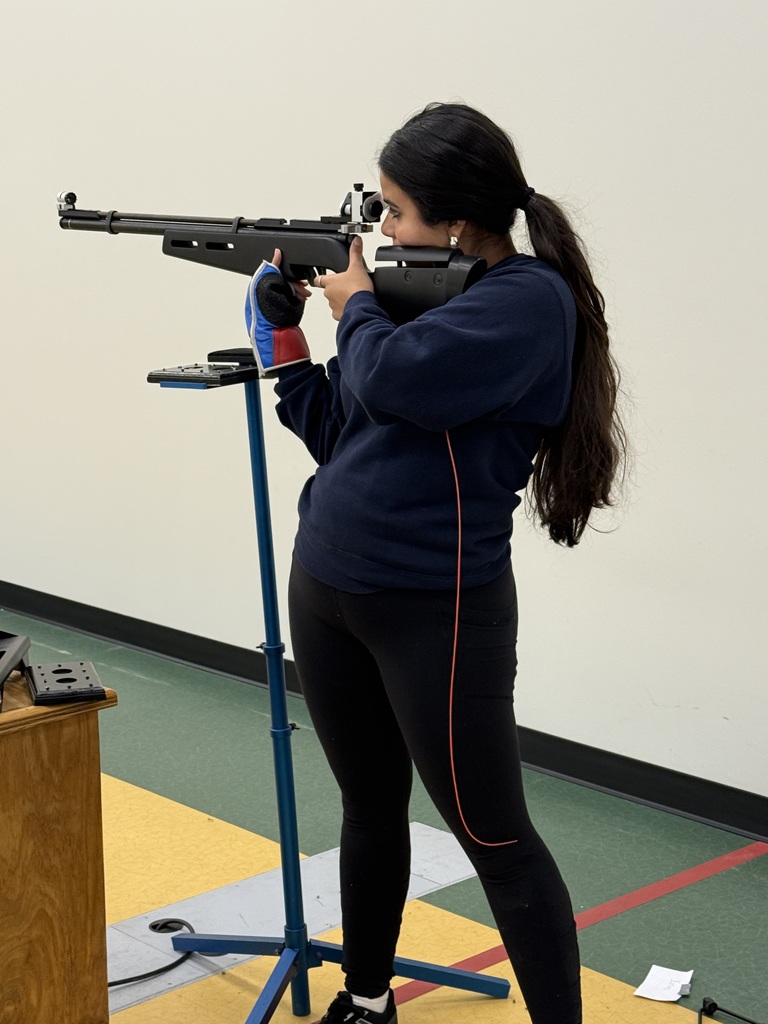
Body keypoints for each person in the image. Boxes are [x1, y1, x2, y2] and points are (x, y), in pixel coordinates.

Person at [246, 102, 626, 1024]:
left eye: (394, 212)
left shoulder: (525, 304)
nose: (377, 232)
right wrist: (288, 341)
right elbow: (342, 428)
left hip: (435, 608)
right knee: (370, 809)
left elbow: (393, 378)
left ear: (454, 221)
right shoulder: (419, 302)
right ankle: (368, 1000)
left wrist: (356, 304)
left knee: (497, 839)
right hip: (328, 581)